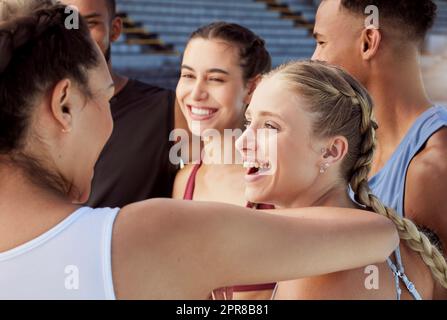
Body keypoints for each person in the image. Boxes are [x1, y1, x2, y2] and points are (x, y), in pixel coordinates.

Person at [0, 0, 399, 300]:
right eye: (106, 99)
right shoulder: (143, 236)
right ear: (64, 104)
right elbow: (377, 233)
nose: (112, 121)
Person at [236, 60, 447, 300]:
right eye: (248, 122)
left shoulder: (320, 268)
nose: (241, 142)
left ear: (330, 151)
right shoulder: (400, 243)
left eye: (270, 126)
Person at [311, 0, 447, 298]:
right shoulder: (346, 147)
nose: (314, 59)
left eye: (321, 42)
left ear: (368, 43)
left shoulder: (432, 167)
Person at [172, 22, 276, 300]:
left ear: (251, 88)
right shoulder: (184, 182)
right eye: (187, 76)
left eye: (215, 79)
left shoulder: (281, 182)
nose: (195, 93)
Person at [60, 0, 188, 208]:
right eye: (68, 24)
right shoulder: (32, 113)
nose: (77, 37)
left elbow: (205, 183)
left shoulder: (167, 110)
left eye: (90, 24)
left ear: (115, 29)